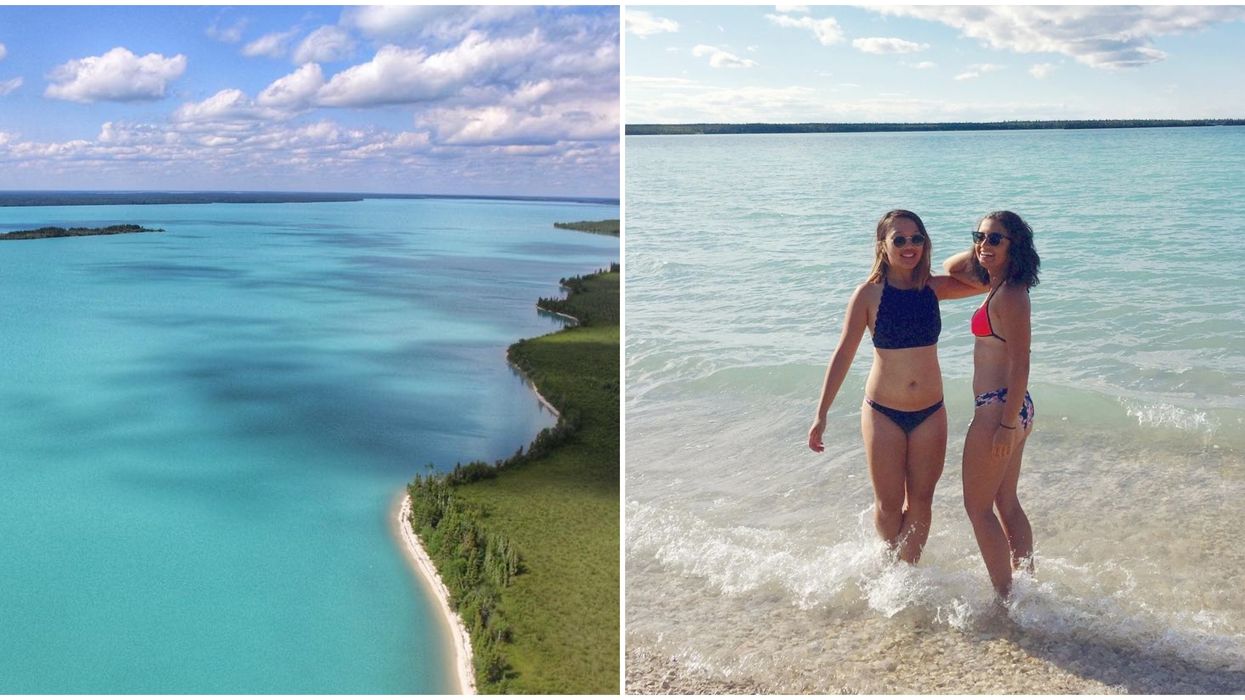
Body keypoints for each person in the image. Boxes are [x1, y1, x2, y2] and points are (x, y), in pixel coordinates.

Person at [808, 210, 983, 563]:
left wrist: (965, 251)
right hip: (882, 412)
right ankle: (890, 568)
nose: (909, 246)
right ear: (882, 246)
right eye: (899, 239)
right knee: (889, 506)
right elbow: (843, 354)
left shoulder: (934, 288)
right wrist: (821, 414)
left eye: (916, 238)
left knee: (921, 501)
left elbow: (985, 279)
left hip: (930, 413)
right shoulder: (868, 295)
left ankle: (908, 576)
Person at [946, 210, 1041, 597]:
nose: (984, 245)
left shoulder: (1013, 295)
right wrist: (985, 252)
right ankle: (1027, 591)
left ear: (1014, 246)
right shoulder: (999, 284)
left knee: (977, 508)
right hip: (1014, 407)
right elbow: (953, 267)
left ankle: (1007, 598)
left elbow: (1021, 361)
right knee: (1005, 500)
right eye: (979, 236)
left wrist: (1003, 424)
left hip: (999, 408)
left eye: (995, 239)